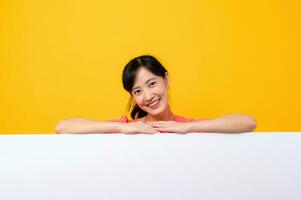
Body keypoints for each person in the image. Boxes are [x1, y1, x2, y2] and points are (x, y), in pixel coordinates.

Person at [56, 55, 256, 134]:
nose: (148, 95)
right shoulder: (129, 127)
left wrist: (189, 127)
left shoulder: (185, 126)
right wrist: (119, 127)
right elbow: (63, 127)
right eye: (138, 91)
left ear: (166, 80)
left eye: (152, 84)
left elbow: (248, 122)